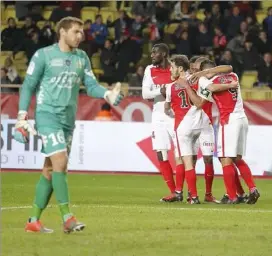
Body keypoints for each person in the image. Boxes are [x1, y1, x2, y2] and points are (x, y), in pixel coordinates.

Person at [14, 16, 124, 234]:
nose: (80, 35)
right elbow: (28, 86)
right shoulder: (43, 55)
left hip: (67, 120)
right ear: (62, 32)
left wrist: (107, 94)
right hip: (47, 116)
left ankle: (33, 221)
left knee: (50, 168)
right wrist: (21, 116)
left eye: (81, 32)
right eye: (76, 31)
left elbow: (90, 85)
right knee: (60, 161)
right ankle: (67, 217)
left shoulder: (82, 57)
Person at [164, 55, 237, 204]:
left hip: (195, 124)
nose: (195, 70)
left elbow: (168, 106)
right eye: (194, 68)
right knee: (199, 160)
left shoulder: (179, 84)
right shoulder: (196, 80)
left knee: (198, 160)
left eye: (172, 67)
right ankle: (196, 194)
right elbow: (205, 93)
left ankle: (200, 195)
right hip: (199, 123)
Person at [185, 60, 260, 204]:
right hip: (242, 118)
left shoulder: (206, 81)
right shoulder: (233, 76)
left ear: (206, 71)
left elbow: (202, 100)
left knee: (225, 159)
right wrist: (229, 84)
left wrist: (191, 85)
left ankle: (232, 196)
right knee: (237, 158)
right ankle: (252, 188)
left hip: (229, 120)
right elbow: (229, 67)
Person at [142, 43, 178, 202]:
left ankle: (189, 191)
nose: (152, 55)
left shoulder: (176, 68)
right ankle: (174, 192)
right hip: (158, 114)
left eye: (155, 53)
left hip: (177, 114)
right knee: (161, 153)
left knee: (183, 154)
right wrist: (161, 91)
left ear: (163, 54)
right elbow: (145, 93)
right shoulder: (149, 69)